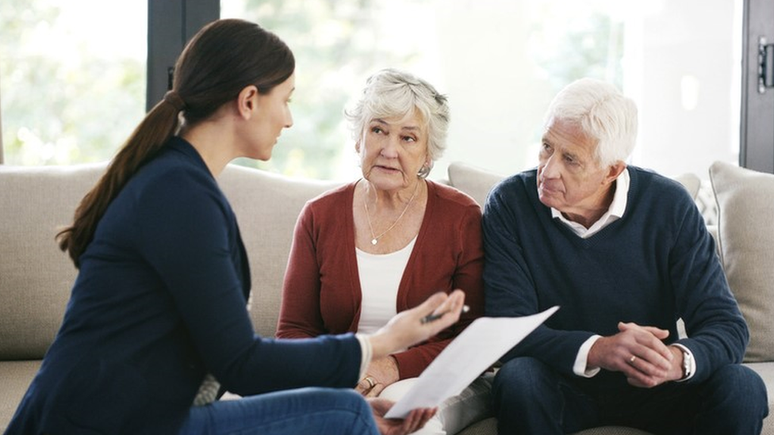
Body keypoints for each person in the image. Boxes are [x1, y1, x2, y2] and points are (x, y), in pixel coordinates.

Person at [5, 19, 468, 435]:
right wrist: (382, 343)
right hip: (109, 423)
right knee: (347, 415)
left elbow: (232, 362)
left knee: (347, 411)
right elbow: (243, 364)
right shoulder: (179, 196)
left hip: (134, 414)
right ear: (249, 100)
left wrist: (340, 396)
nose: (288, 118)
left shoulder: (179, 181)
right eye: (285, 100)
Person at [482, 78, 768, 434]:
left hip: (657, 390)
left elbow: (726, 325)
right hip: (561, 386)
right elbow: (506, 329)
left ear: (613, 170)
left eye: (570, 159)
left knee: (742, 387)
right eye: (546, 147)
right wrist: (599, 349)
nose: (549, 169)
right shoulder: (510, 204)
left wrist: (676, 361)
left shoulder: (669, 205)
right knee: (518, 379)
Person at [276, 68, 490, 435]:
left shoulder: (461, 217)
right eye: (378, 130)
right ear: (359, 139)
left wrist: (389, 367)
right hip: (341, 373)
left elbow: (474, 337)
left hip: (430, 376)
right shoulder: (319, 215)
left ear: (427, 154)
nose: (389, 150)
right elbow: (294, 330)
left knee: (405, 421)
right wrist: (340, 372)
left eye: (408, 138)